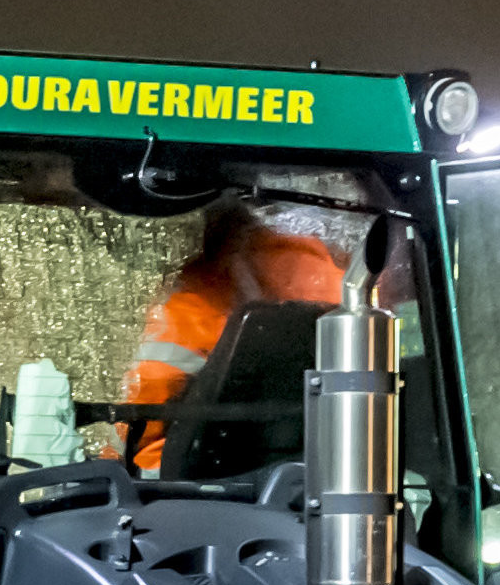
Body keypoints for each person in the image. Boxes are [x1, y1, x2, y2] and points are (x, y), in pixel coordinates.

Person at [118, 202, 350, 471]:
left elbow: (143, 426)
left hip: (224, 492)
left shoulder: (189, 314)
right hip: (336, 474)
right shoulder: (339, 280)